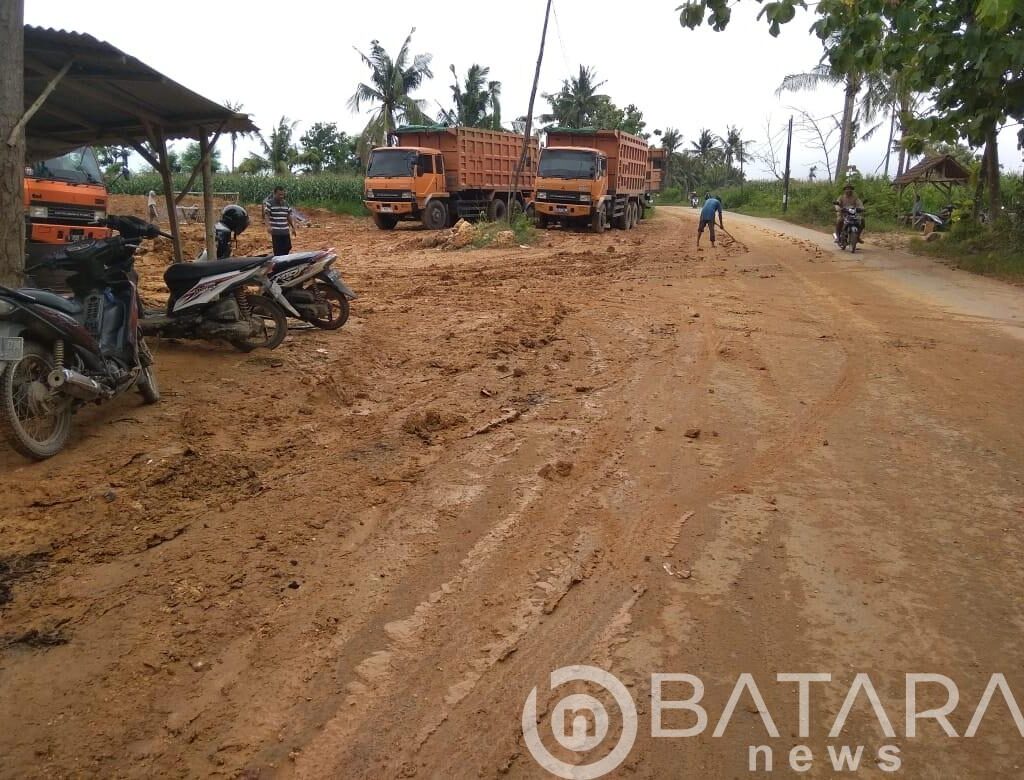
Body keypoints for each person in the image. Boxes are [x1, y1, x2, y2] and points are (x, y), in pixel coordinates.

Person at [263, 186, 297, 256]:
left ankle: (282, 261)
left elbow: (288, 216)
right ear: (274, 194)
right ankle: (279, 264)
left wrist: (293, 227)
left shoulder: (286, 203)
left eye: (282, 194)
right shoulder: (269, 203)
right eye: (279, 194)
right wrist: (268, 226)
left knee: (288, 247)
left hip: (285, 231)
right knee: (278, 251)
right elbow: (266, 215)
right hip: (276, 232)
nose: (281, 196)